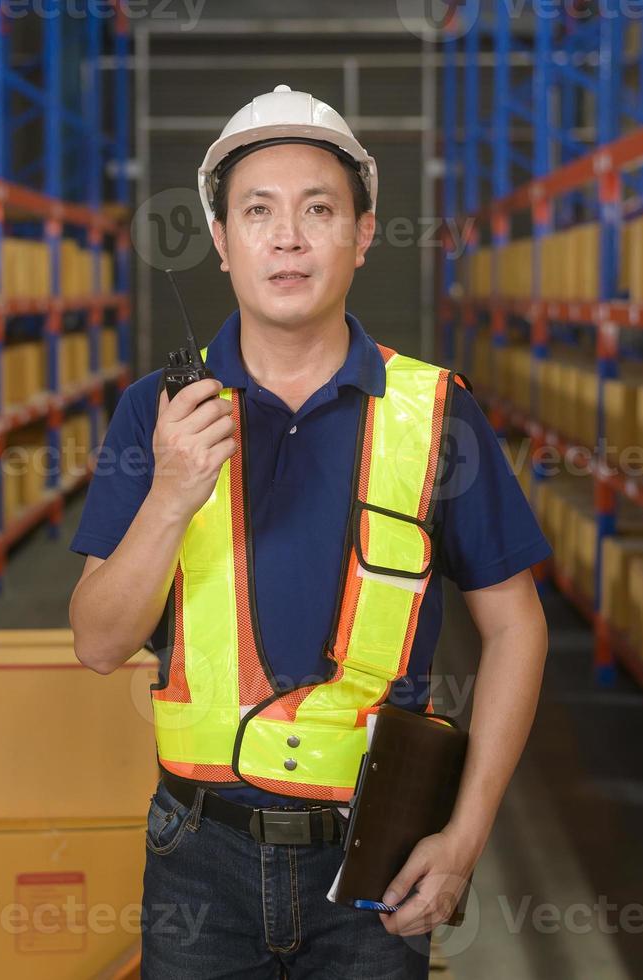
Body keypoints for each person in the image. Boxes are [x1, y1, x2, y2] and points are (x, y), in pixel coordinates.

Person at [68, 84, 549, 978]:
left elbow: (516, 625)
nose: (286, 236)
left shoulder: (434, 412)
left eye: (317, 209)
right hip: (195, 862)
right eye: (257, 212)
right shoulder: (157, 412)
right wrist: (172, 489)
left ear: (363, 236)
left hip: (374, 861)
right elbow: (99, 642)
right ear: (220, 241)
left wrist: (465, 834)